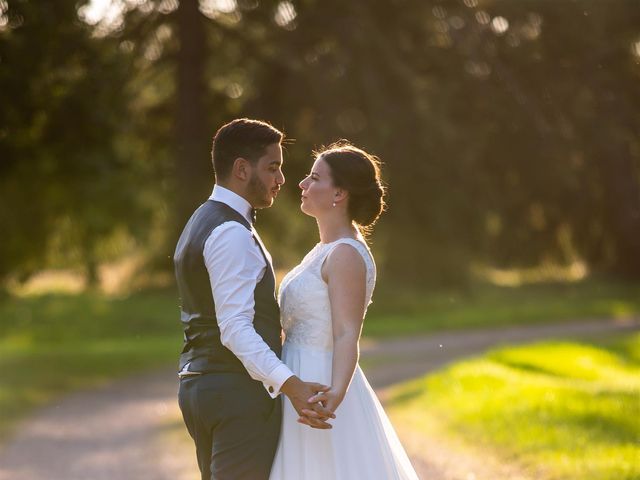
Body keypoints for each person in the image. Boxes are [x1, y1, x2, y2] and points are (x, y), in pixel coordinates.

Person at [174, 118, 335, 480]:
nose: (281, 179)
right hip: (235, 394)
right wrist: (291, 385)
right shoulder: (231, 231)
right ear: (242, 169)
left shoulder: (202, 219)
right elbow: (234, 328)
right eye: (273, 167)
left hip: (201, 386)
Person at [269, 142, 419, 479]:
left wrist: (335, 394)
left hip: (320, 382)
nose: (302, 185)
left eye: (314, 178)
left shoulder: (346, 255)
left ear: (339, 193)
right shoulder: (323, 249)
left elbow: (347, 332)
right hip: (297, 377)